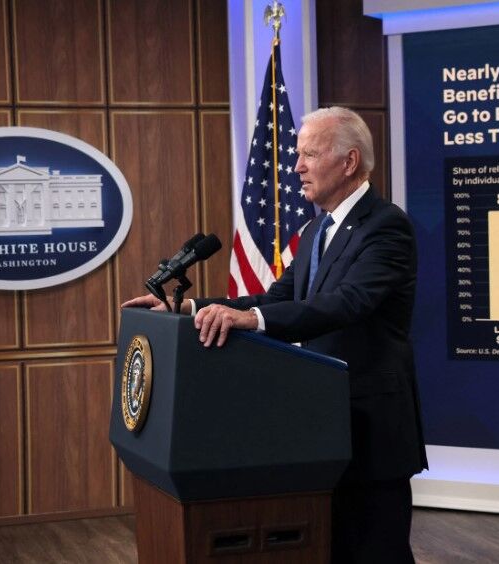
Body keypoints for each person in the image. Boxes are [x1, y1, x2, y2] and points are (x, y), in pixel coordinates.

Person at [123, 106, 427, 563]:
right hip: (320, 425)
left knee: (376, 553)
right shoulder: (317, 228)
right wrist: (186, 307)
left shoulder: (385, 225)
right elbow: (276, 297)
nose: (297, 167)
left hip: (370, 428)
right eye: (297, 155)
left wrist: (252, 321)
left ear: (349, 162)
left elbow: (348, 303)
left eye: (310, 154)